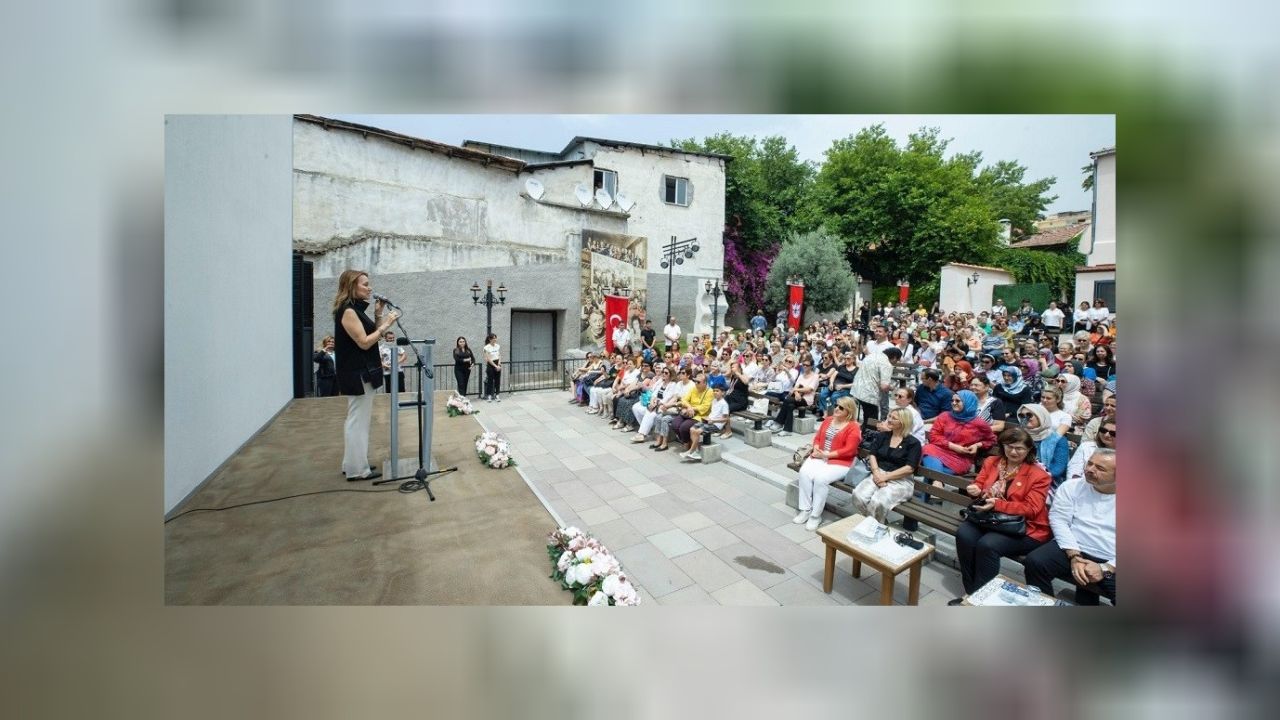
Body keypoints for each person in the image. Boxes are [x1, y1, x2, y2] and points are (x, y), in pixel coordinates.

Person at [947, 427, 1052, 604]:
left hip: (1025, 526)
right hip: (991, 518)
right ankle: (973, 593)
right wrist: (975, 490)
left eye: (1019, 448)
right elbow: (979, 484)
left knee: (988, 545)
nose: (1013, 451)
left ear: (1029, 450)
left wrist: (998, 503)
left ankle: (984, 600)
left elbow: (1032, 508)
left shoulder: (1038, 475)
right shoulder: (992, 461)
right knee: (964, 535)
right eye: (1009, 446)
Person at [1023, 449, 1117, 605]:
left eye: (1100, 468)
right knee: (1036, 562)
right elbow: (1059, 520)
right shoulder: (1072, 487)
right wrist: (1074, 555)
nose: (1090, 469)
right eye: (1090, 463)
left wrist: (1106, 568)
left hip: (1110, 556)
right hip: (1075, 547)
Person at [333, 269, 400, 481]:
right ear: (351, 286)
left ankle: (352, 463)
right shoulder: (349, 311)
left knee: (357, 421)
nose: (369, 288)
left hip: (361, 373)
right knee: (357, 422)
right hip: (358, 374)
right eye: (365, 284)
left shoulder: (354, 310)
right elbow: (364, 342)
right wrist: (388, 324)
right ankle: (357, 470)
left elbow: (373, 335)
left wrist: (378, 315)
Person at [792, 397, 862, 531]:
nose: (836, 408)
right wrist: (817, 447)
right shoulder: (829, 420)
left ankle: (815, 515)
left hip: (840, 462)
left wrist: (826, 455)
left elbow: (849, 450)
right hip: (820, 456)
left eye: (841, 407)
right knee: (804, 473)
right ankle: (805, 509)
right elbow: (818, 437)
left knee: (820, 479)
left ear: (849, 411)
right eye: (836, 405)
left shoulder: (854, 427)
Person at [852, 406, 922, 524]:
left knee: (878, 501)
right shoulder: (883, 436)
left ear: (903, 422)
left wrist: (885, 477)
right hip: (878, 473)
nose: (889, 420)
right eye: (889, 416)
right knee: (858, 495)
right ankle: (877, 523)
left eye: (894, 418)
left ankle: (872, 527)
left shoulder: (913, 443)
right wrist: (876, 473)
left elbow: (909, 468)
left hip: (901, 480)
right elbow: (872, 454)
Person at [920, 390, 997, 477]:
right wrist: (953, 446)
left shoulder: (979, 423)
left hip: (960, 458)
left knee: (930, 469)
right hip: (940, 450)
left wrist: (977, 445)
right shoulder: (944, 416)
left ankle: (936, 480)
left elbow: (992, 440)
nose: (953, 403)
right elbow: (934, 435)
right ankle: (937, 481)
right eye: (952, 400)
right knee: (928, 448)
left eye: (957, 401)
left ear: (968, 402)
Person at [1017, 403, 1069, 489]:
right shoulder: (1018, 436)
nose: (1025, 418)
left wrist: (1032, 478)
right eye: (1022, 416)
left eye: (1029, 415)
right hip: (1017, 477)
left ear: (1040, 416)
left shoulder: (1058, 439)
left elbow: (1058, 468)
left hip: (1045, 482)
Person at [765, 358, 821, 436]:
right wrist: (796, 393)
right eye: (803, 365)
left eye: (807, 365)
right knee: (790, 406)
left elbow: (809, 389)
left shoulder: (815, 376)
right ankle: (787, 430)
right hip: (796, 397)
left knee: (787, 400)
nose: (804, 366)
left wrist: (796, 390)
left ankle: (778, 422)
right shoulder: (801, 375)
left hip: (806, 399)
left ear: (811, 366)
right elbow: (795, 386)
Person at [664, 372, 713, 453]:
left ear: (705, 383)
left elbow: (705, 407)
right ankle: (686, 441)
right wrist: (689, 407)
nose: (696, 383)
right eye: (695, 381)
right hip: (688, 412)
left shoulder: (709, 391)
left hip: (699, 415)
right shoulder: (694, 388)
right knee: (675, 424)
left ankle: (686, 443)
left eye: (698, 382)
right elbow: (684, 399)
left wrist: (692, 409)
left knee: (684, 427)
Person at [851, 346, 899, 424]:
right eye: (897, 360)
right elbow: (884, 386)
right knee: (872, 421)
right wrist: (891, 388)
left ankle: (864, 432)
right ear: (894, 358)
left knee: (866, 416)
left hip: (857, 389)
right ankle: (869, 435)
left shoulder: (871, 356)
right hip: (869, 394)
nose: (896, 363)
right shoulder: (886, 364)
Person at [682, 386, 730, 461]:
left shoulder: (724, 404)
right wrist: (707, 418)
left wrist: (713, 421)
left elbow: (726, 419)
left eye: (717, 391)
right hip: (708, 421)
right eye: (714, 391)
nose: (715, 392)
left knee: (697, 431)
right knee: (692, 429)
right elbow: (713, 413)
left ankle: (691, 451)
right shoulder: (714, 401)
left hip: (716, 425)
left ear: (723, 393)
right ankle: (696, 451)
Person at [1066, 416, 1116, 484]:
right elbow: (1074, 471)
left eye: (1113, 433)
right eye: (1103, 430)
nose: (1106, 435)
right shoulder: (1086, 447)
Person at [482, 332, 502, 402]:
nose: (495, 339)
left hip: (497, 363)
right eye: (493, 338)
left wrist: (499, 364)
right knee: (490, 380)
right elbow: (488, 359)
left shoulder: (497, 346)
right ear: (490, 339)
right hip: (491, 364)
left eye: (495, 338)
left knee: (497, 380)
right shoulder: (486, 347)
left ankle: (497, 395)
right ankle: (489, 395)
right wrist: (495, 366)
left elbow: (499, 355)